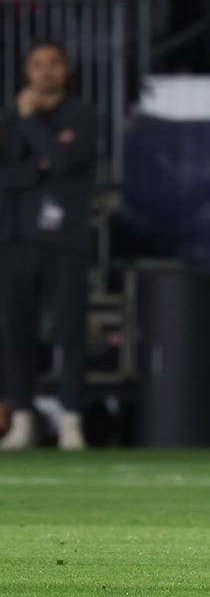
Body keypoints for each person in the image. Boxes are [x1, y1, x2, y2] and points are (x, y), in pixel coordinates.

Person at [0, 40, 99, 451]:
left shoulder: (83, 115)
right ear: (26, 71)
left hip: (65, 241)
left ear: (66, 70)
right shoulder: (10, 118)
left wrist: (34, 130)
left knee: (69, 330)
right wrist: (38, 163)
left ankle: (70, 417)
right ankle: (22, 416)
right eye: (37, 64)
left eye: (53, 64)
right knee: (14, 332)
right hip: (16, 241)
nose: (45, 72)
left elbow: (64, 161)